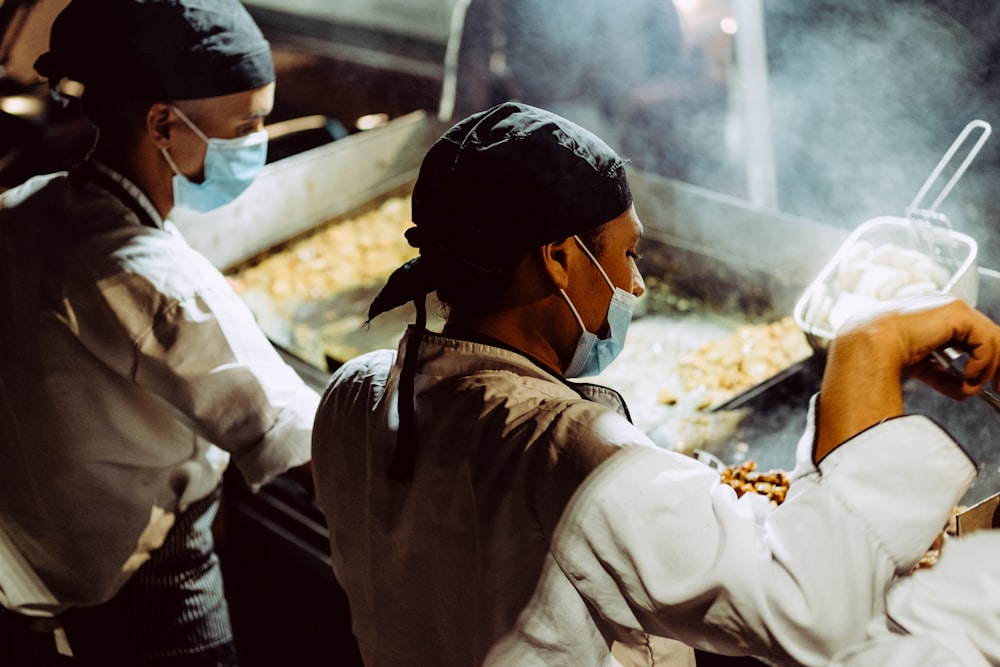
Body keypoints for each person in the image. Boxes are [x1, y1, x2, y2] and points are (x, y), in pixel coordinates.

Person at [310, 101, 1000, 666]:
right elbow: (814, 609)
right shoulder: (569, 456)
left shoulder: (356, 393)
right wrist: (864, 349)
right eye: (628, 253)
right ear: (557, 257)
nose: (636, 284)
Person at [0, 0, 319, 665]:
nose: (256, 140)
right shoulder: (162, 285)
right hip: (143, 582)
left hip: (31, 553)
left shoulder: (25, 205)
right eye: (247, 125)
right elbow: (302, 442)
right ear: (164, 124)